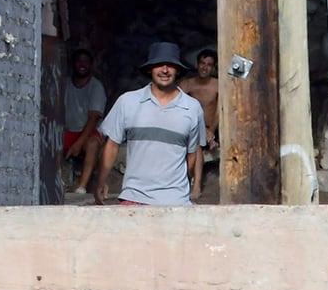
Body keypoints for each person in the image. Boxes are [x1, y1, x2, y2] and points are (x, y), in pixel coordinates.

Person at [96, 42, 206, 206]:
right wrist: (101, 181)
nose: (165, 70)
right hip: (134, 197)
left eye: (170, 65)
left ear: (178, 70)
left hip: (176, 201)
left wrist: (183, 187)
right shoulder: (128, 102)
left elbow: (192, 155)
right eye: (159, 65)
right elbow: (112, 145)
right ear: (149, 69)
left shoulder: (192, 108)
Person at [61, 47, 108, 195]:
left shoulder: (96, 87)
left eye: (86, 62)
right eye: (79, 61)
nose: (82, 65)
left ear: (91, 65)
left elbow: (93, 119)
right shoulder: (65, 84)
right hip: (69, 130)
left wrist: (79, 143)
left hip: (89, 131)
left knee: (92, 144)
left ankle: (81, 186)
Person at [181, 47, 221, 191]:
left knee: (197, 143)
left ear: (213, 67)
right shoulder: (187, 84)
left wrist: (211, 130)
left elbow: (219, 111)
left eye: (209, 65)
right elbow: (177, 107)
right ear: (197, 64)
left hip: (212, 129)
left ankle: (196, 186)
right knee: (195, 141)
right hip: (192, 128)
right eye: (202, 63)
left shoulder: (218, 85)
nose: (204, 67)